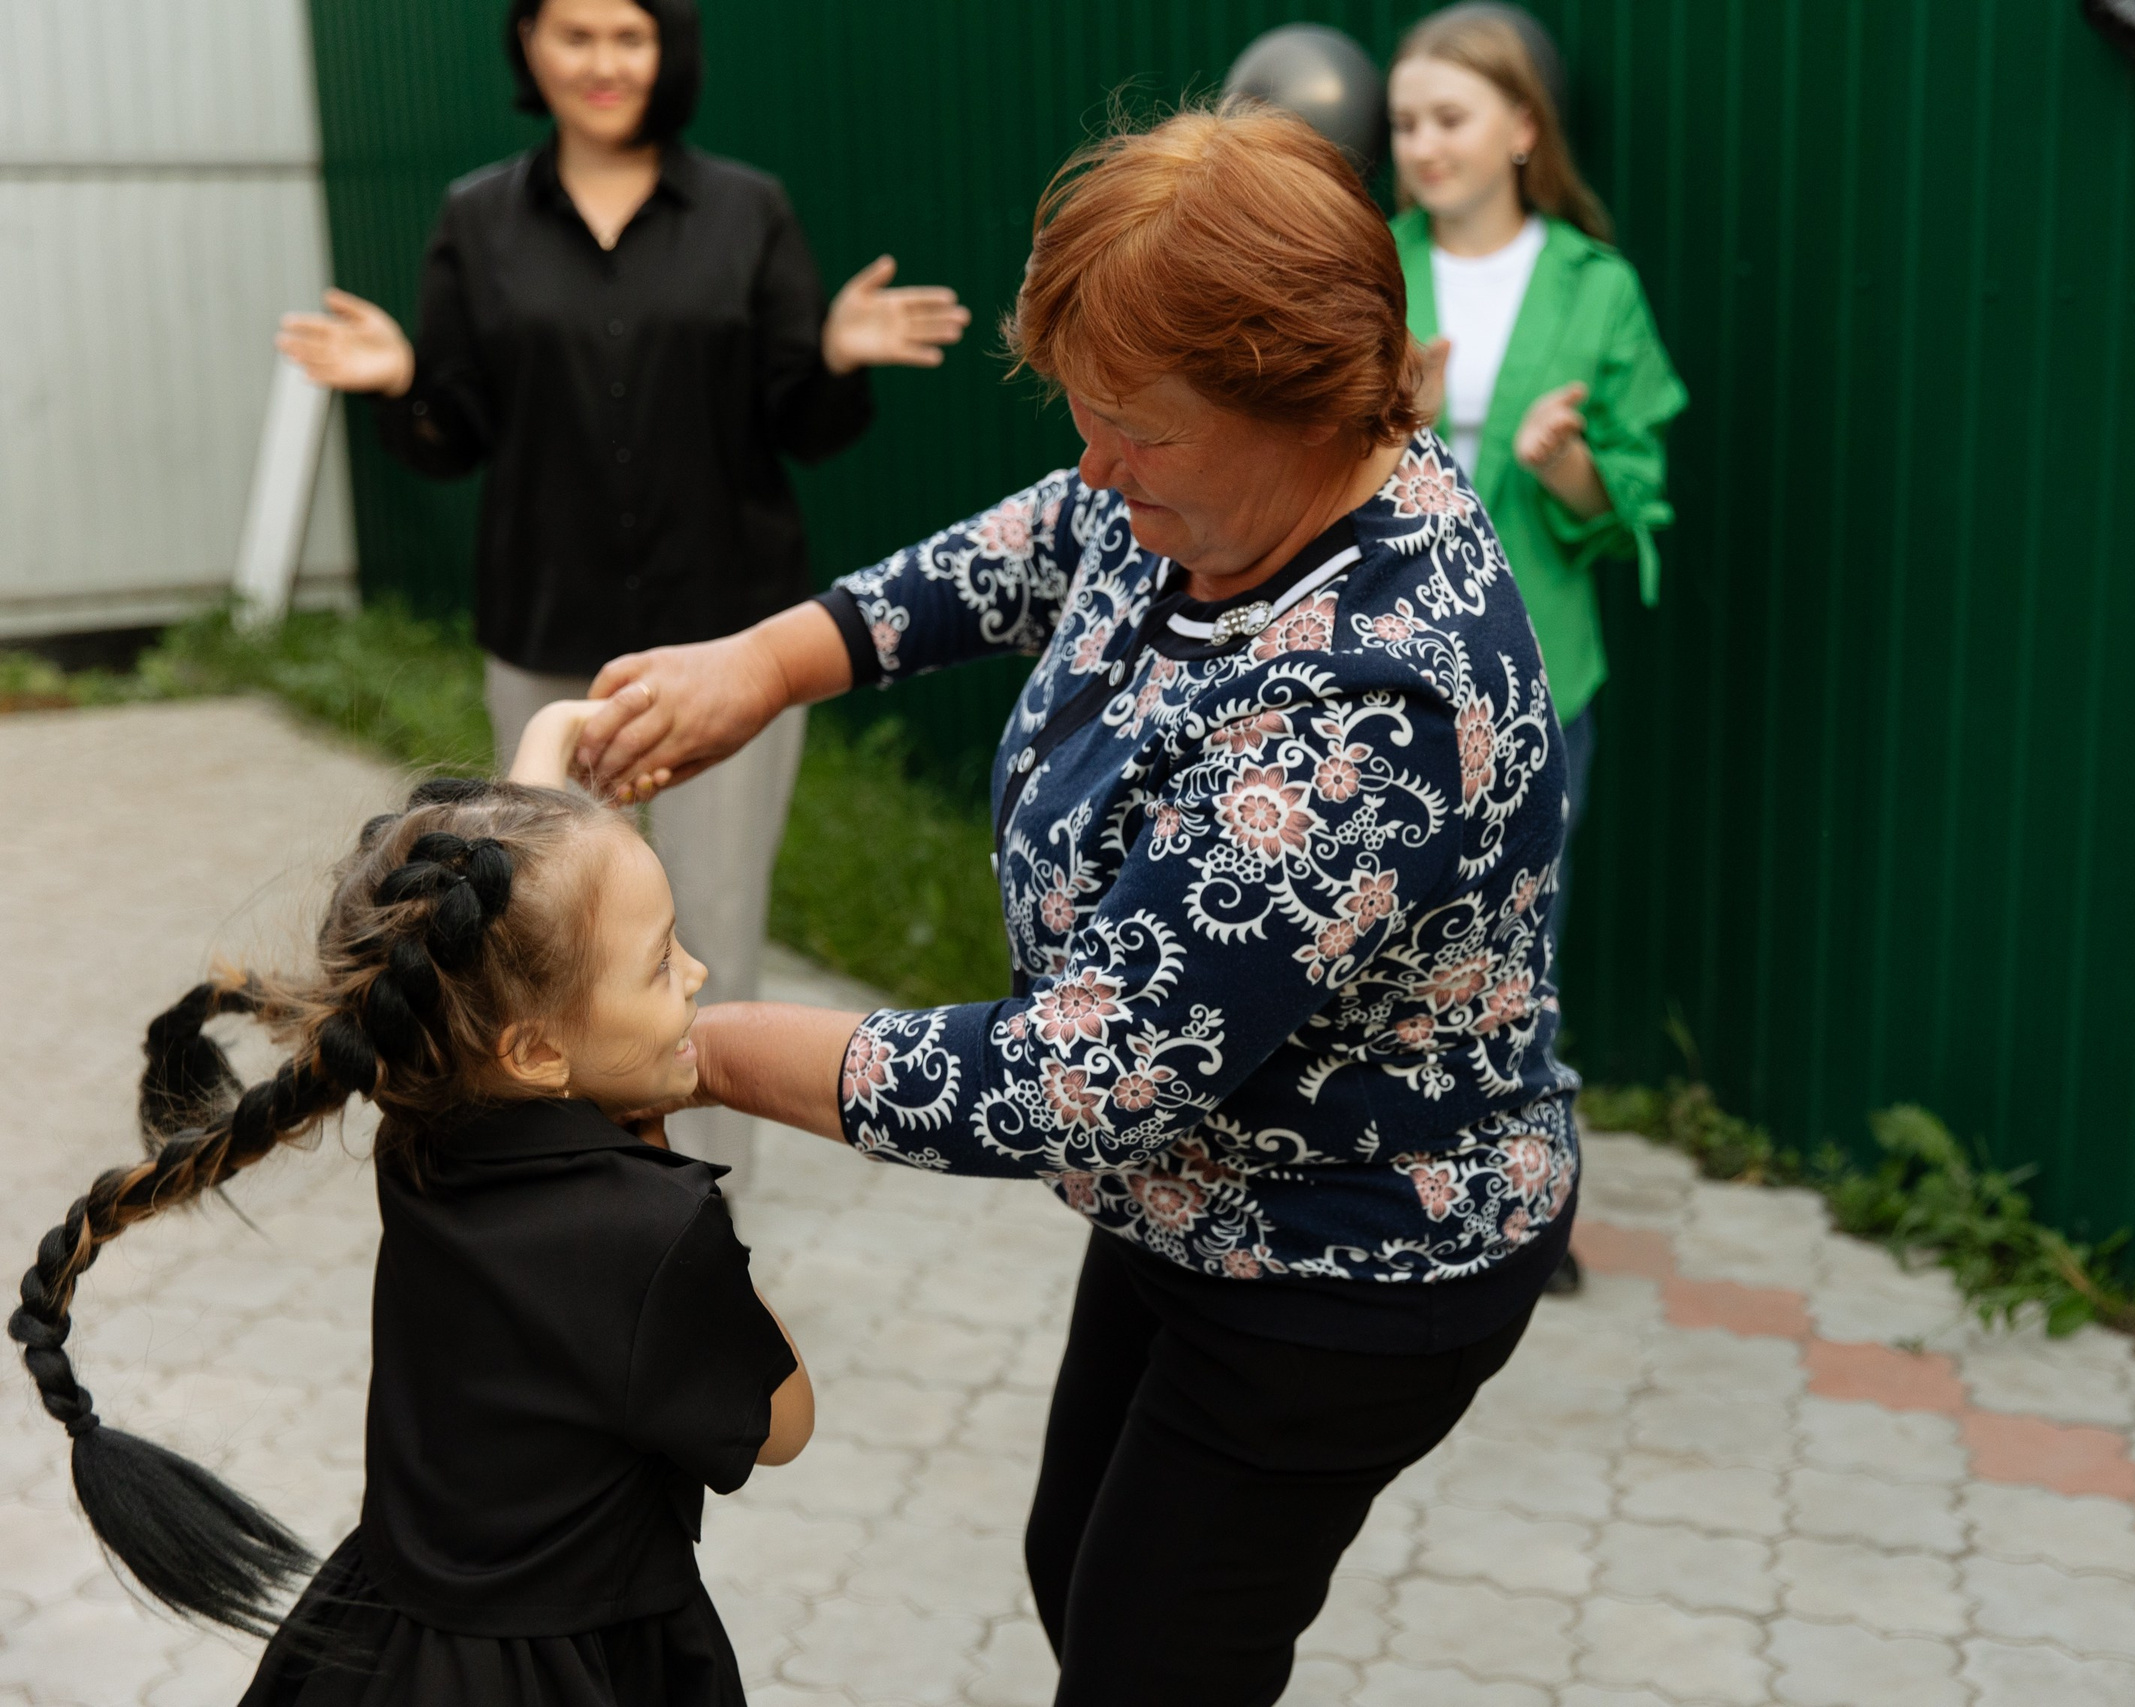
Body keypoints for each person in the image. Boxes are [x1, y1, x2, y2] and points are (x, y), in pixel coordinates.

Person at [568, 106, 1580, 1707]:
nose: (1100, 466)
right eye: (1087, 417)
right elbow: (1041, 537)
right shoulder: (1211, 490)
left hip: (1350, 1260)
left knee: (1151, 1655)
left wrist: (675, 1047)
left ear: (1311, 395)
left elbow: (1076, 1078)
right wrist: (771, 658)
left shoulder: (1377, 691)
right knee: (1079, 1565)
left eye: (1139, 431)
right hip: (1193, 1196)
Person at [276, 0, 969, 1186]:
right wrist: (403, 382)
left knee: (712, 934)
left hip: (728, 645)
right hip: (549, 642)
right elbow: (454, 430)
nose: (603, 62)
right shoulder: (476, 218)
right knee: (542, 943)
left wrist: (837, 356)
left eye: (629, 36)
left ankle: (696, 1222)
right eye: (576, 34)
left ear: (669, 52)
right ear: (531, 50)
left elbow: (799, 418)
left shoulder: (746, 210)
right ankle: (567, 1210)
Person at [7, 741, 815, 1706]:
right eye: (659, 963)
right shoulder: (659, 1229)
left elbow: (497, 923)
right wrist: (676, 1175)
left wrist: (555, 759)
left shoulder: (422, 1126)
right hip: (581, 1669)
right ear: (537, 1049)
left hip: (389, 1648)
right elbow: (783, 1425)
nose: (696, 971)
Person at [1387, 5, 1688, 959]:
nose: (1423, 145)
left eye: (1449, 117)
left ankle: (1506, 1110)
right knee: (1374, 947)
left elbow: (1627, 501)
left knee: (1513, 950)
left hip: (1537, 667)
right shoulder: (1365, 266)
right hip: (1380, 659)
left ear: (1524, 127)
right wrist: (1400, 423)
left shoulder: (1596, 287)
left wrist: (1567, 466)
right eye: (1404, 124)